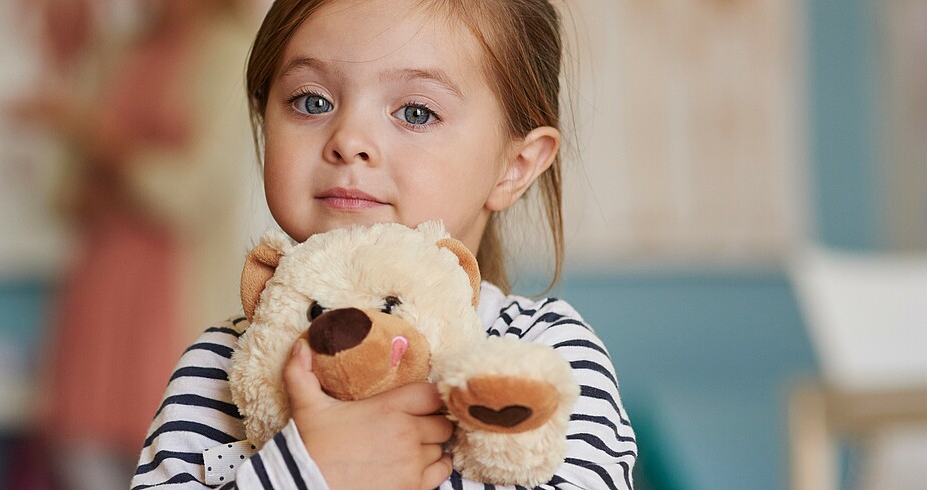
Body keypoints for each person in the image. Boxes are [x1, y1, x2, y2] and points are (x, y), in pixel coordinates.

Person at [131, 0, 637, 489]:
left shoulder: (547, 358)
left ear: (516, 166)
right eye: (313, 102)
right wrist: (307, 474)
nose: (349, 138)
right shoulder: (219, 366)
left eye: (415, 112)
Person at [19, 0, 266, 488]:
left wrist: (100, 144)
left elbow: (190, 194)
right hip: (98, 291)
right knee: (81, 452)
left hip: (174, 300)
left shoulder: (229, 54)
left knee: (176, 446)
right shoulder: (114, 53)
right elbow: (62, 193)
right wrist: (103, 168)